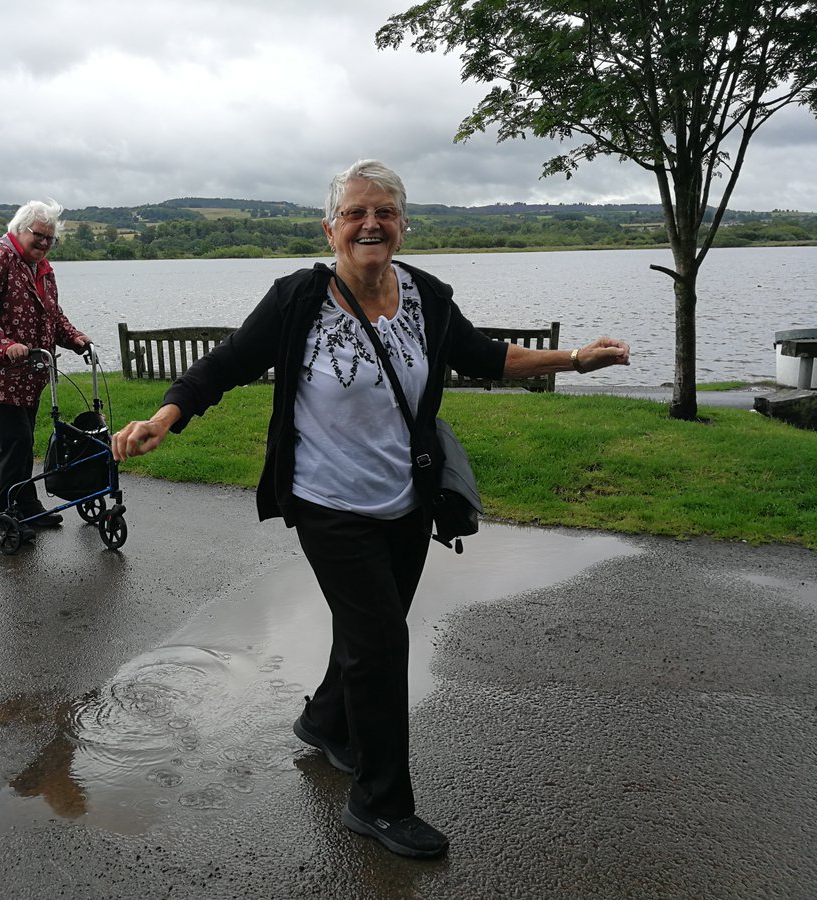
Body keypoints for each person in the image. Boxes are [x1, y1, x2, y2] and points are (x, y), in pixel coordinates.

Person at [112, 160, 630, 859]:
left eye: (384, 211)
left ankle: (327, 723)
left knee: (371, 631)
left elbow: (482, 356)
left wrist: (573, 360)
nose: (370, 224)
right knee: (383, 643)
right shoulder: (298, 299)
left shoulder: (427, 295)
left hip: (408, 502)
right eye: (355, 213)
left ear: (402, 224)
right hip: (329, 505)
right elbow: (226, 363)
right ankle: (380, 803)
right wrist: (165, 417)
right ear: (331, 228)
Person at [0, 200, 91, 530]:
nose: (45, 243)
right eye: (39, 236)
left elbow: (52, 315)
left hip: (30, 372)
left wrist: (74, 338)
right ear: (20, 229)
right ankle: (8, 512)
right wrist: (4, 344)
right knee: (16, 440)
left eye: (51, 239)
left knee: (25, 439)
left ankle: (27, 503)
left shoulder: (41, 268)